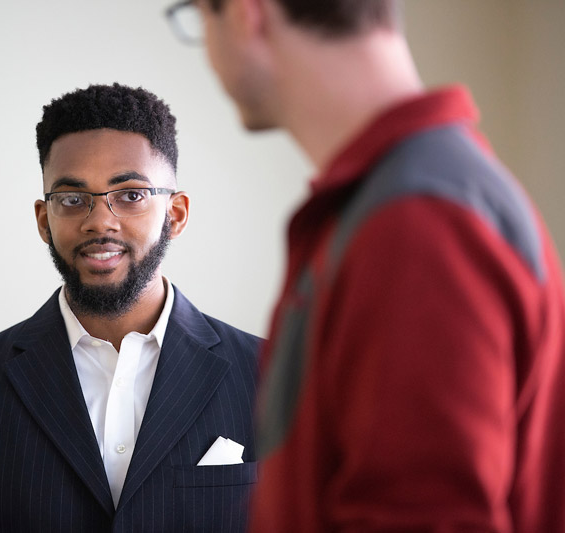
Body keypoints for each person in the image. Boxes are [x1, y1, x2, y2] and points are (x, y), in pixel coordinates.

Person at [165, 0, 565, 530]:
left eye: (199, 16)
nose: (208, 55)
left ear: (246, 14)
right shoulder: (404, 201)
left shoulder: (416, 222)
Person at [0, 83, 260, 532]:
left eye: (131, 194)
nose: (99, 220)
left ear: (175, 214)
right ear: (45, 220)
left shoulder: (274, 376)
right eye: (72, 199)